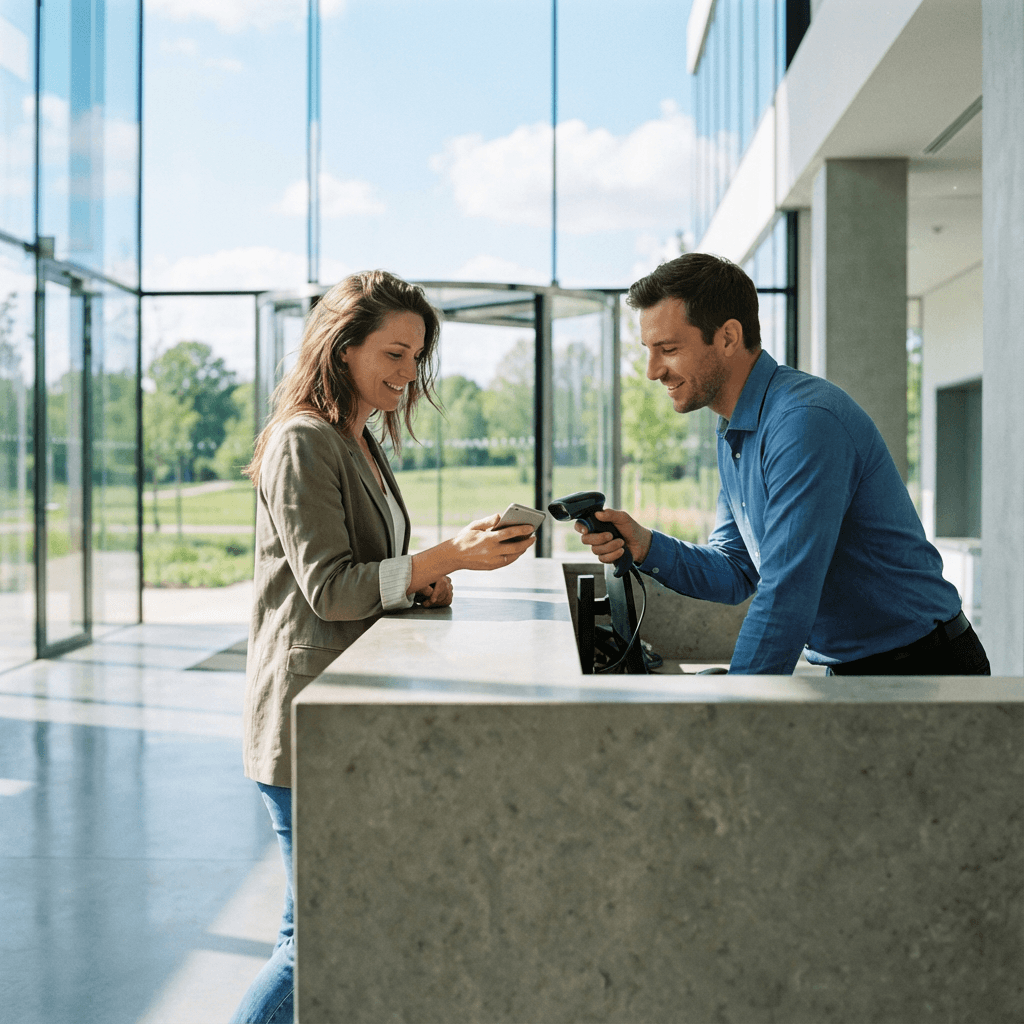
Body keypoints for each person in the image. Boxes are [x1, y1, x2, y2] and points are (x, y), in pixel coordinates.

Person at [230, 270, 535, 1024]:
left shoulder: (355, 439)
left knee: (313, 929)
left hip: (344, 716)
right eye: (394, 354)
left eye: (416, 357)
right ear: (342, 348)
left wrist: (429, 581)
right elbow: (331, 590)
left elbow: (368, 571)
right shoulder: (304, 441)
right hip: (306, 720)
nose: (408, 373)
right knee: (316, 938)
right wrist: (447, 557)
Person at [577, 253, 989, 677]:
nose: (652, 371)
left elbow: (786, 593)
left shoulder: (804, 423)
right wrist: (646, 544)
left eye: (668, 349)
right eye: (649, 350)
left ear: (728, 338)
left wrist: (734, 712)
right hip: (862, 671)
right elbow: (737, 569)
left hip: (923, 671)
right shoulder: (736, 431)